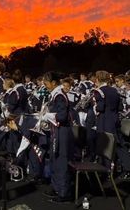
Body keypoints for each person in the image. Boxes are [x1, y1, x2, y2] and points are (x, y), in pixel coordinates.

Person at [42, 71, 74, 204]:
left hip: (62, 131)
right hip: (57, 130)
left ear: (54, 82)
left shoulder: (59, 95)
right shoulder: (55, 94)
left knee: (61, 161)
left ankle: (64, 192)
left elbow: (62, 116)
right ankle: (56, 187)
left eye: (46, 82)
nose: (44, 85)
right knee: (55, 159)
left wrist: (47, 115)